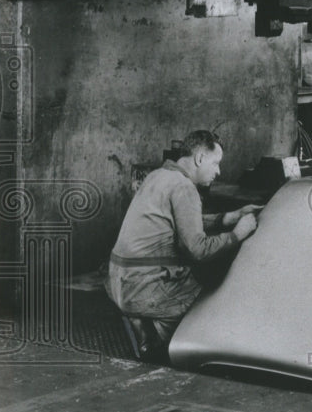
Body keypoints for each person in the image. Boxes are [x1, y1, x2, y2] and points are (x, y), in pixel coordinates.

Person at [106, 130, 261, 360]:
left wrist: (226, 218)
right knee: (209, 300)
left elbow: (181, 219)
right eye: (216, 163)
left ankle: (139, 319)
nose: (218, 171)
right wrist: (237, 234)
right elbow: (197, 250)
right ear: (199, 159)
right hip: (143, 287)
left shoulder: (157, 176)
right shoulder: (185, 188)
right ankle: (156, 341)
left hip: (117, 280)